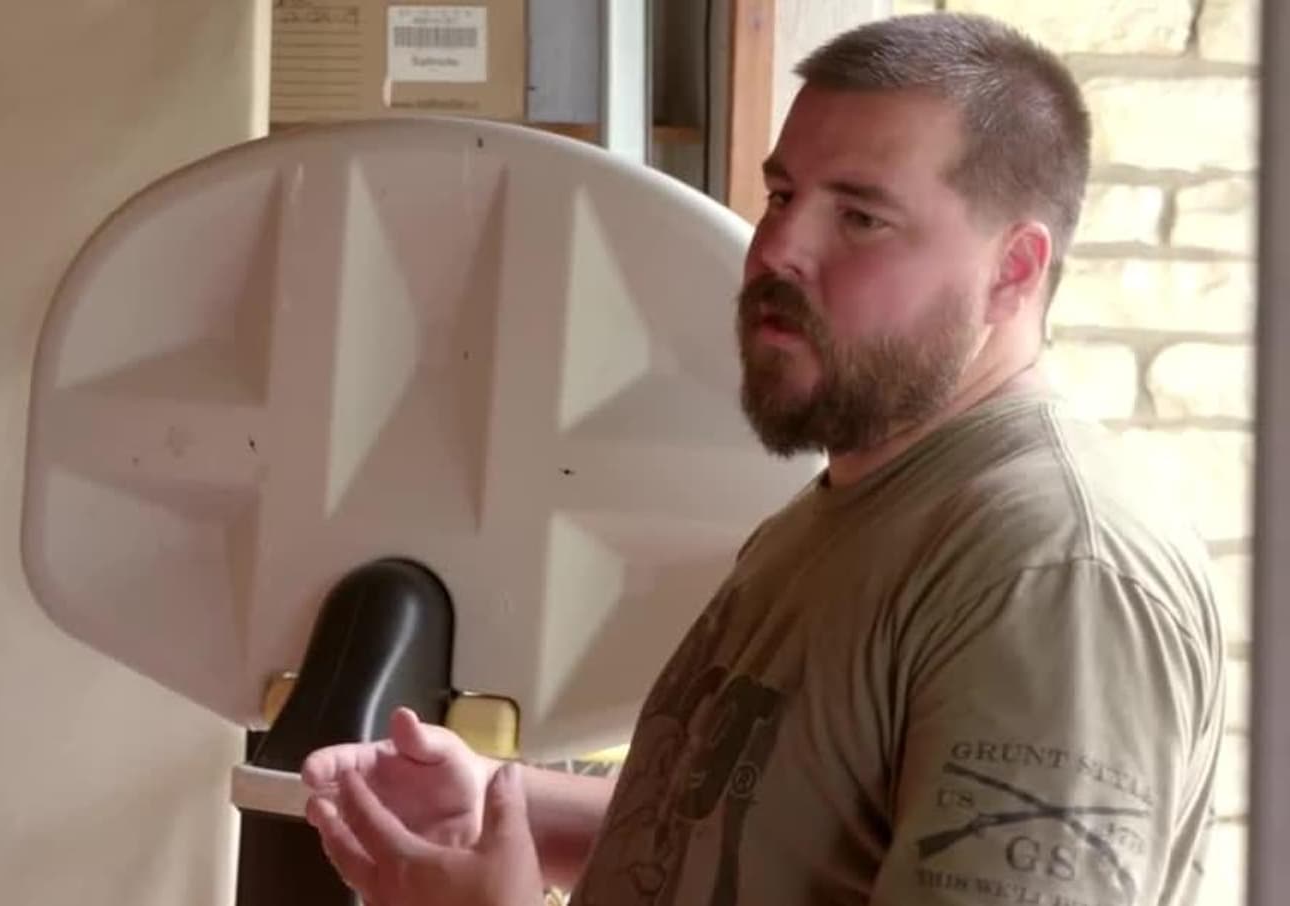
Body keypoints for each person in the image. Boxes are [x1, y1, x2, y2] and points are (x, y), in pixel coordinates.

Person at [300, 11, 1226, 906]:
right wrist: (505, 807)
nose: (779, 248)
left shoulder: (1051, 574)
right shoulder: (843, 507)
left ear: (1012, 270)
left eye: (860, 217)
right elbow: (751, 833)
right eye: (783, 196)